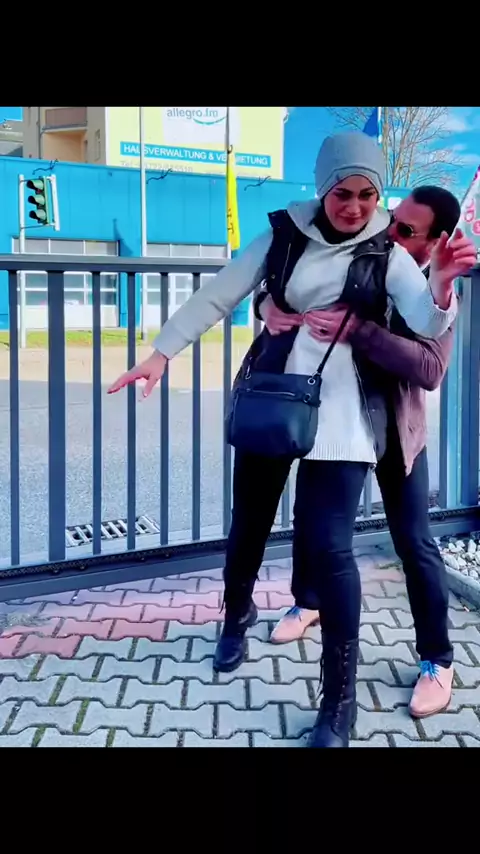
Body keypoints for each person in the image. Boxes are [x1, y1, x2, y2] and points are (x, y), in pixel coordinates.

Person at [108, 132, 468, 748]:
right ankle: (236, 616)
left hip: (345, 416)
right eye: (342, 193)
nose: (354, 206)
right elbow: (220, 292)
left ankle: (338, 703)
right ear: (322, 188)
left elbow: (427, 322)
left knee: (331, 549)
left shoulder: (389, 252)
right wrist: (162, 353)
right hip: (275, 398)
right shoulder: (284, 233)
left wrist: (440, 285)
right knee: (250, 519)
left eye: (366, 194)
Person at [261, 185, 477, 723]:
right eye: (391, 220)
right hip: (337, 422)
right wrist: (266, 302)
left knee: (414, 542)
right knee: (314, 522)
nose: (389, 233)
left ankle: (438, 660)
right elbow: (292, 287)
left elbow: (430, 369)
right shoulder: (362, 258)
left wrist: (360, 331)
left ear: (436, 242)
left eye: (405, 230)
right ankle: (308, 601)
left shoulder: (437, 293)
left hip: (395, 432)